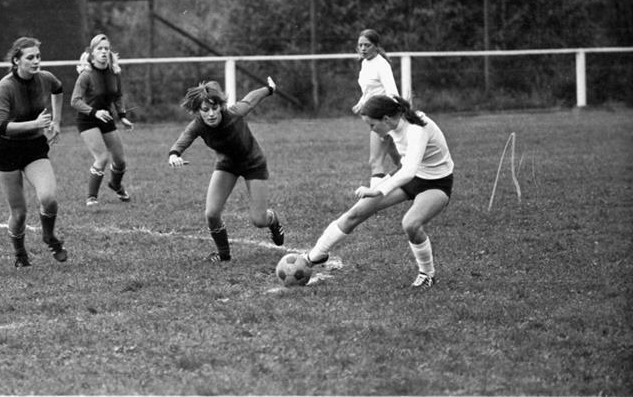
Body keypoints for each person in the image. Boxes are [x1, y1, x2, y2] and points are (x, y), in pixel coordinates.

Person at [304, 94, 454, 289]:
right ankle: (315, 255)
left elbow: (408, 171)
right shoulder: (392, 121)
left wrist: (378, 190)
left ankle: (427, 274)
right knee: (356, 212)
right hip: (408, 176)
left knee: (411, 224)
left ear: (386, 119)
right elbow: (402, 164)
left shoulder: (417, 129)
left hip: (436, 182)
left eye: (372, 125)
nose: (371, 130)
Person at [168, 78, 285, 262]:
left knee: (259, 220)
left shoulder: (234, 113)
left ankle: (273, 219)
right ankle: (224, 255)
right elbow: (185, 137)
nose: (211, 114)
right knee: (211, 214)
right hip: (227, 165)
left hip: (253, 164)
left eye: (215, 108)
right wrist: (174, 154)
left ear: (221, 106)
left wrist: (269, 89)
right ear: (198, 111)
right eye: (205, 110)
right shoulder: (198, 125)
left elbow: (251, 99)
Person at [0, 37, 66, 267]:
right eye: (30, 57)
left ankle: (48, 236)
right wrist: (35, 124)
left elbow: (59, 89)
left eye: (38, 57)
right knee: (19, 213)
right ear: (16, 61)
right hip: (7, 151)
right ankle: (20, 252)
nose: (36, 61)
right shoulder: (4, 86)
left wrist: (57, 121)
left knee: (49, 199)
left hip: (34, 147)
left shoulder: (45, 78)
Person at [71, 34, 134, 209]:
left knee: (120, 161)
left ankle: (115, 185)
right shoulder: (86, 75)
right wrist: (94, 112)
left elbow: (118, 96)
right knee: (102, 158)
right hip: (87, 119)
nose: (104, 52)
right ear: (92, 53)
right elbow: (75, 101)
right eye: (100, 49)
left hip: (105, 118)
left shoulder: (114, 72)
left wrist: (122, 117)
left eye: (107, 48)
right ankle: (91, 198)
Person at [350, 29, 400, 185]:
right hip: (376, 117)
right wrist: (361, 103)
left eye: (367, 45)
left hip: (384, 118)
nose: (363, 49)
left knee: (375, 161)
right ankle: (418, 183)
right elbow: (369, 90)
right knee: (400, 160)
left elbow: (392, 93)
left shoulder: (382, 65)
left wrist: (388, 119)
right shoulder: (365, 63)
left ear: (376, 46)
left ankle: (372, 204)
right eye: (360, 45)